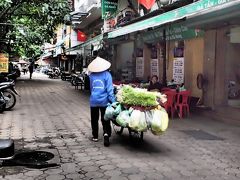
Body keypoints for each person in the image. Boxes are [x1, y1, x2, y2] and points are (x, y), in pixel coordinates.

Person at [87, 56, 116, 147]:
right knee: (105, 119)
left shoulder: (91, 75)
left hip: (94, 100)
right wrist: (113, 101)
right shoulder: (107, 75)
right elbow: (110, 90)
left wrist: (94, 95)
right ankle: (106, 134)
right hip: (104, 101)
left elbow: (91, 88)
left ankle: (95, 136)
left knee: (94, 119)